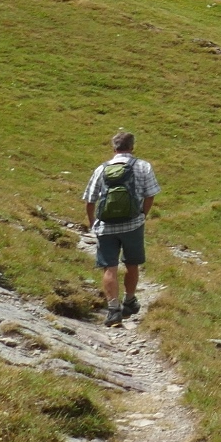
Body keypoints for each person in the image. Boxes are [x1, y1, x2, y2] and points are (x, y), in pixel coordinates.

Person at [80, 131, 159, 324]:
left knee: (109, 267)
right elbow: (151, 194)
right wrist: (142, 215)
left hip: (106, 227)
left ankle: (113, 310)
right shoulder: (143, 166)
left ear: (113, 148)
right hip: (133, 224)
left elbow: (90, 200)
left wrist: (92, 222)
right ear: (132, 147)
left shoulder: (101, 169)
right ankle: (129, 300)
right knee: (132, 263)